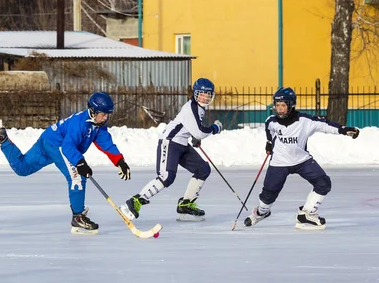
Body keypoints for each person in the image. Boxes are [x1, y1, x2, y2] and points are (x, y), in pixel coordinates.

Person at [0, 91, 131, 235]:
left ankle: (2, 139)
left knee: (22, 168)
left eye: (107, 115)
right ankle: (78, 217)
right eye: (103, 114)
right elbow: (68, 147)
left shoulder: (98, 125)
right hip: (57, 144)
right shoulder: (80, 124)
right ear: (93, 111)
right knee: (77, 177)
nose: (105, 118)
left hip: (49, 138)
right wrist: (80, 163)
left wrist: (120, 161)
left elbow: (106, 143)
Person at [244, 87, 360, 230]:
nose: (279, 109)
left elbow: (325, 125)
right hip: (279, 162)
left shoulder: (305, 120)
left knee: (323, 183)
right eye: (277, 105)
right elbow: (269, 132)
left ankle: (307, 213)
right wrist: (269, 144)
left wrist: (343, 129)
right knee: (268, 195)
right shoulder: (271, 121)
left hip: (302, 160)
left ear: (291, 105)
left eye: (283, 105)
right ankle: (261, 212)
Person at [120, 78, 223, 222]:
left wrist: (194, 136)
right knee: (167, 176)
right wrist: (214, 128)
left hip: (181, 144)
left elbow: (192, 128)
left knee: (203, 169)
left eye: (208, 94)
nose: (205, 97)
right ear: (195, 94)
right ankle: (135, 202)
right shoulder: (191, 108)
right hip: (170, 142)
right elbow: (199, 131)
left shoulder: (199, 108)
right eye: (202, 94)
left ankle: (185, 205)